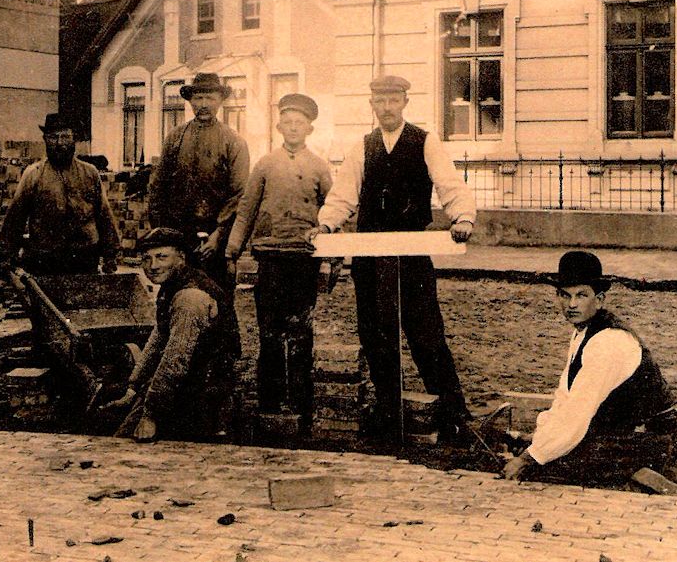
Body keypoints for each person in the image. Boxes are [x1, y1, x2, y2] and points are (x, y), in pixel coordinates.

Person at [308, 75, 476, 445]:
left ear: (404, 102)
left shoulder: (425, 141)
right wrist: (326, 224)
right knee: (376, 336)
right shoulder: (362, 147)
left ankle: (454, 415)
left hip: (411, 255)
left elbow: (450, 185)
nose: (386, 108)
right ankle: (388, 413)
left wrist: (463, 218)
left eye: (393, 101)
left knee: (426, 335)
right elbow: (343, 194)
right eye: (380, 102)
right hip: (370, 257)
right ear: (372, 105)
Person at [502, 251, 677, 486]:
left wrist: (528, 458)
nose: (572, 304)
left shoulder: (608, 341)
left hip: (643, 441)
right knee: (546, 453)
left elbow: (578, 413)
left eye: (581, 295)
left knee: (543, 471)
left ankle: (648, 480)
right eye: (565, 295)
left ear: (599, 299)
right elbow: (566, 398)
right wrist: (539, 439)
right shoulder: (583, 333)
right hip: (616, 435)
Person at [225, 94, 333, 432]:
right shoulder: (265, 165)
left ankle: (301, 402)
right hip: (270, 258)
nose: (293, 128)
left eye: (299, 123)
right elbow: (246, 210)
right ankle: (269, 402)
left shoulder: (319, 167)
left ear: (309, 128)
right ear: (279, 126)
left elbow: (333, 213)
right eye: (288, 123)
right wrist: (232, 250)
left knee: (301, 331)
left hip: (304, 259)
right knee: (269, 330)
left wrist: (332, 259)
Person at [98, 228, 239, 443]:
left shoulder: (190, 298)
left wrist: (150, 415)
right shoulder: (172, 286)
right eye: (146, 259)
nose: (153, 266)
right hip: (183, 385)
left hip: (203, 395)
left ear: (181, 257)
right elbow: (157, 340)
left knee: (126, 443)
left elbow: (176, 360)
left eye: (162, 257)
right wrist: (132, 388)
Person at [147, 72, 250, 291]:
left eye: (210, 98)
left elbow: (239, 195)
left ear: (220, 101)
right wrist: (163, 235)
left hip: (216, 237)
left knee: (216, 295)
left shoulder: (234, 142)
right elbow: (157, 187)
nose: (203, 104)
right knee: (177, 294)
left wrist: (219, 235)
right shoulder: (175, 137)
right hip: (179, 236)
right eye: (198, 98)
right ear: (190, 101)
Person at [0, 113, 120, 275]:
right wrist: (7, 254)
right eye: (53, 137)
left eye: (65, 137)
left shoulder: (90, 173)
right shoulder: (33, 174)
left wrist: (110, 254)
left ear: (74, 139)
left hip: (83, 258)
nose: (59, 143)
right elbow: (15, 217)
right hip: (45, 259)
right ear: (45, 139)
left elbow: (104, 215)